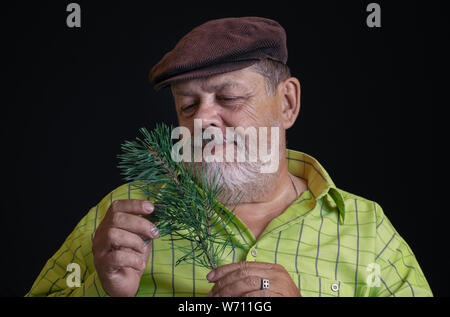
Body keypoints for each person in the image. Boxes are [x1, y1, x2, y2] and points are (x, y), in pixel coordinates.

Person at [26, 17, 432, 297]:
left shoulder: (368, 231)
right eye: (187, 106)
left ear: (287, 102)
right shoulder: (125, 219)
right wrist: (102, 288)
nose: (203, 119)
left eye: (229, 97)